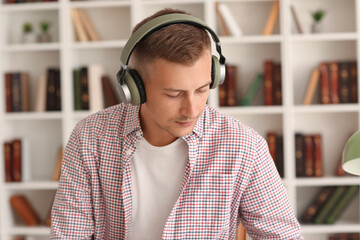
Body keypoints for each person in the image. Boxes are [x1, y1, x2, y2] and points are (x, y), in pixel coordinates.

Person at [50, 8, 304, 240]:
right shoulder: (90, 138)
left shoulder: (244, 146)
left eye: (202, 89)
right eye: (174, 94)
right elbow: (69, 235)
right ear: (135, 89)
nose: (192, 110)